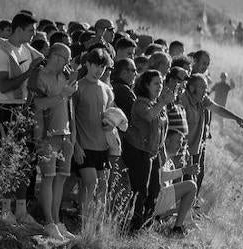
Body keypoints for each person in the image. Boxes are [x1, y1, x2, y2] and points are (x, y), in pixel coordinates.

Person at [0, 11, 43, 227]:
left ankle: (21, 210)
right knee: (7, 160)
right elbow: (2, 85)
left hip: (23, 108)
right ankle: (5, 210)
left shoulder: (26, 49)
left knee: (23, 161)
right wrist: (28, 73)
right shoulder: (1, 53)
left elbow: (37, 58)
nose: (34, 34)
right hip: (5, 109)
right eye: (31, 30)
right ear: (19, 29)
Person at [31, 42, 76, 243]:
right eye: (65, 59)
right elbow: (37, 104)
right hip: (47, 134)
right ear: (55, 56)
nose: (66, 63)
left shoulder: (64, 76)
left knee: (61, 178)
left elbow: (70, 106)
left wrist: (73, 135)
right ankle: (48, 222)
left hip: (65, 134)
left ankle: (57, 221)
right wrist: (61, 95)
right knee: (48, 178)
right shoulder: (39, 77)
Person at [181, 73, 243, 193]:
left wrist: (236, 118)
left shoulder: (202, 99)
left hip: (193, 149)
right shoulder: (183, 99)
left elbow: (217, 109)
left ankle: (187, 208)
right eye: (202, 88)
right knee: (182, 183)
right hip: (181, 150)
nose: (205, 91)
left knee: (193, 181)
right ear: (191, 88)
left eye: (206, 88)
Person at [72, 48, 116, 228]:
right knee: (91, 183)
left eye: (103, 67)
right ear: (88, 65)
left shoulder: (107, 89)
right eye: (96, 66)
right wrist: (75, 145)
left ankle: (97, 226)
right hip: (84, 146)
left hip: (103, 147)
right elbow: (71, 118)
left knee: (102, 188)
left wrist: (112, 124)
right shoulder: (78, 86)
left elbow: (112, 116)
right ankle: (84, 223)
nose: (99, 70)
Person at [124, 69, 171, 230]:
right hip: (139, 152)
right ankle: (134, 225)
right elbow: (150, 116)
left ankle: (146, 224)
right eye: (156, 83)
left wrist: (162, 151)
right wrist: (163, 102)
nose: (160, 86)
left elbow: (161, 130)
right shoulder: (140, 103)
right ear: (146, 85)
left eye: (161, 83)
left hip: (153, 153)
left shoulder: (159, 105)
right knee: (140, 190)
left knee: (155, 190)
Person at [153, 125, 198, 234]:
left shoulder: (171, 163)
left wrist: (188, 170)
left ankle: (162, 218)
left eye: (181, 143)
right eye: (178, 141)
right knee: (191, 186)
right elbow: (161, 177)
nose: (180, 145)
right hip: (155, 200)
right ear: (167, 141)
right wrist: (184, 171)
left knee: (191, 198)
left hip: (162, 200)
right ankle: (177, 228)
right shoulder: (158, 157)